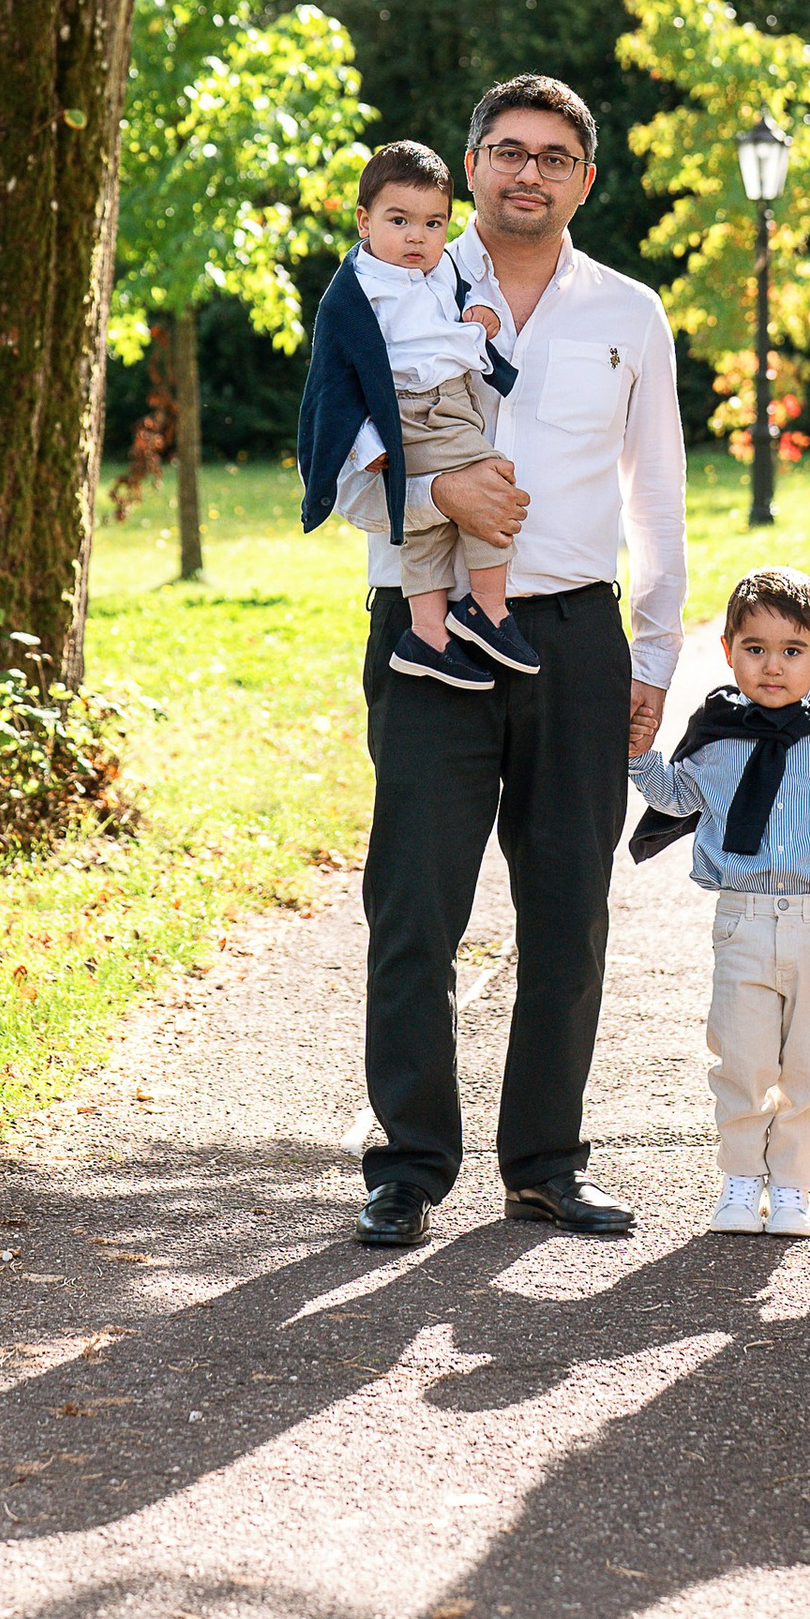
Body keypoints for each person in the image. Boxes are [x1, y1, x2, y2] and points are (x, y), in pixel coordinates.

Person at [334, 73, 688, 1250]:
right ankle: (410, 1164)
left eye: (551, 155)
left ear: (584, 178)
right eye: (503, 149)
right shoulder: (388, 283)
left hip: (574, 638)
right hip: (425, 625)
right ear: (470, 165)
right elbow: (335, 463)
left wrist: (655, 650)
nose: (525, 171)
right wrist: (437, 487)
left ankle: (544, 1162)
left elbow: (659, 494)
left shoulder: (629, 313)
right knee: (414, 905)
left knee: (567, 911)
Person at [625, 565, 810, 1241]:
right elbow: (677, 797)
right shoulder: (720, 731)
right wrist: (641, 757)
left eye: (792, 651)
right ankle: (738, 1181)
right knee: (741, 1058)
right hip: (743, 919)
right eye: (754, 648)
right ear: (728, 650)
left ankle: (791, 1188)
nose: (773, 666)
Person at [297, 141, 532, 690]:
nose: (415, 236)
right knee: (491, 481)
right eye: (398, 220)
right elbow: (335, 381)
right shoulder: (356, 291)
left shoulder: (443, 268)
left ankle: (426, 634)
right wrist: (367, 446)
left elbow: (452, 316)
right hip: (410, 409)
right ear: (364, 221)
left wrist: (478, 321)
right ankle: (488, 609)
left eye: (433, 223)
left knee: (424, 525)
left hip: (450, 398)